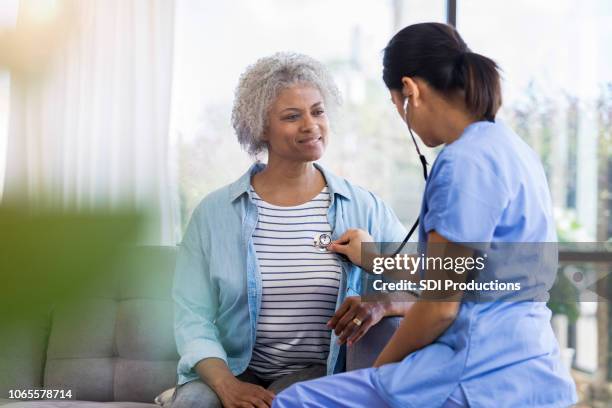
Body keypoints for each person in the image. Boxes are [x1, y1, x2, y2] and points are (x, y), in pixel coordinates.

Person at [272, 23, 578, 408]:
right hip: (534, 372)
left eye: (397, 105)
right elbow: (472, 272)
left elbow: (440, 305)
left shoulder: (463, 162)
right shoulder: (512, 149)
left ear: (410, 92)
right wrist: (374, 258)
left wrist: (383, 368)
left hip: (475, 374)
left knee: (294, 401)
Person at [172, 52, 413, 408]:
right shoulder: (213, 214)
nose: (311, 125)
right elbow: (191, 315)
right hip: (230, 369)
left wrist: (375, 259)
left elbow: (435, 287)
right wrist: (226, 385)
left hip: (316, 371)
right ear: (261, 127)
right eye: (292, 116)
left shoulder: (364, 206)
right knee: (193, 403)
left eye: (317, 111)